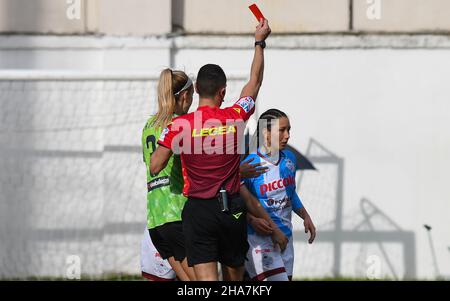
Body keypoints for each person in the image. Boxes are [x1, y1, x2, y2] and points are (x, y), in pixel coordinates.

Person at [151, 18, 288, 281]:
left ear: (198, 90)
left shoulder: (179, 126)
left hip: (198, 212)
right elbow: (254, 82)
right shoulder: (235, 115)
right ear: (223, 91)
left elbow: (156, 165)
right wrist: (259, 42)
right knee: (234, 280)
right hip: (232, 209)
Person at [242, 109, 316, 281]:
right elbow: (236, 201)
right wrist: (251, 219)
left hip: (286, 238)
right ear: (265, 132)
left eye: (289, 129)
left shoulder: (289, 159)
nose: (287, 135)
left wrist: (305, 215)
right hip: (260, 240)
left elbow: (290, 193)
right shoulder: (250, 164)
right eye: (281, 130)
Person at [142, 68, 196, 281]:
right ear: (184, 96)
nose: (192, 102)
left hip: (156, 218)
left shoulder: (148, 125)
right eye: (192, 97)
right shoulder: (180, 125)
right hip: (177, 214)